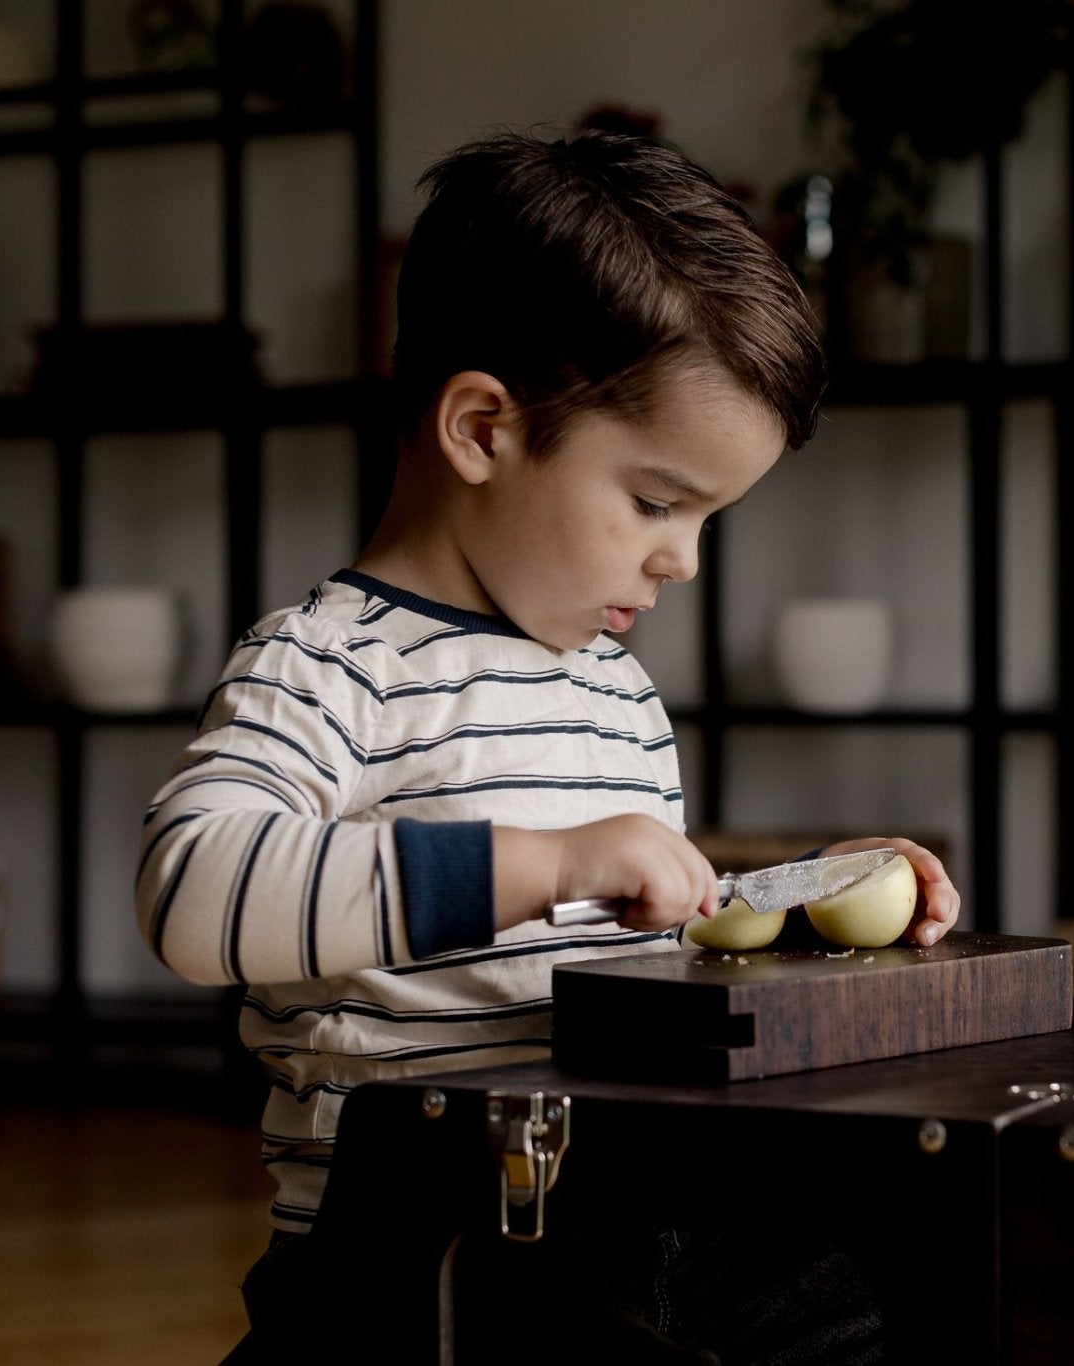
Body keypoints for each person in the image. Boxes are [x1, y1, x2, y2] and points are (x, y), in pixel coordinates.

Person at [136, 128, 959, 1363]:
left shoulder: (614, 692)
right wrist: (547, 861)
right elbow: (195, 890)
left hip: (626, 1223)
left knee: (921, 1284)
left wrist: (792, 896)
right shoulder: (327, 666)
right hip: (413, 1256)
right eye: (655, 501)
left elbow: (632, 941)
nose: (681, 557)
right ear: (482, 427)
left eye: (704, 518)